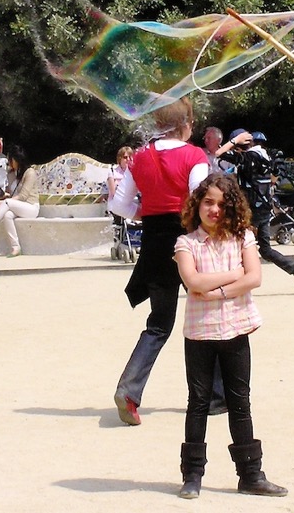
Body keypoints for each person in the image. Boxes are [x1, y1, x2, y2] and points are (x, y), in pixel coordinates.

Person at [174, 173, 288, 499]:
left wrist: (220, 290)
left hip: (236, 329)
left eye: (222, 205)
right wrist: (235, 274)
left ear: (232, 209)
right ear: (197, 204)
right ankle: (192, 475)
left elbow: (255, 278)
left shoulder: (243, 238)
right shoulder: (187, 244)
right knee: (198, 403)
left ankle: (251, 474)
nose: (214, 210)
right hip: (200, 333)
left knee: (240, 402)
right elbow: (193, 281)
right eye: (208, 202)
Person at [108, 97, 210, 426]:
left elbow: (120, 206)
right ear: (185, 125)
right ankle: (214, 395)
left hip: (154, 244)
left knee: (158, 325)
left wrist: (145, 213)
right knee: (209, 320)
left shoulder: (140, 158)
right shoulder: (195, 156)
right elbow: (202, 201)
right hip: (190, 242)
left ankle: (129, 389)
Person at [215, 129, 294, 294]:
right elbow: (274, 177)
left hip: (250, 211)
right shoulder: (267, 156)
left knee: (233, 245)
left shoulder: (248, 157)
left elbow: (218, 154)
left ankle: (232, 284)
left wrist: (235, 140)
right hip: (264, 209)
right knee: (265, 249)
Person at [0, 145, 39, 258]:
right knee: (7, 215)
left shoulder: (30, 173)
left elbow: (23, 196)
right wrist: (0, 199)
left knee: (7, 203)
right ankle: (15, 247)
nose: (9, 163)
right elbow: (9, 193)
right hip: (17, 206)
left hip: (31, 207)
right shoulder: (12, 174)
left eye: (11, 160)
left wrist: (3, 202)